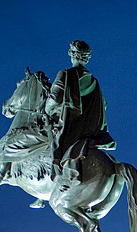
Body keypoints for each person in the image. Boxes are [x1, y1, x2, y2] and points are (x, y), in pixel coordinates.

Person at [45, 40, 116, 185]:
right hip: (91, 130)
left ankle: (59, 171)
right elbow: (104, 105)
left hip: (72, 128)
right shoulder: (94, 81)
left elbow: (55, 98)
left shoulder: (66, 74)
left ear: (72, 54)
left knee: (52, 138)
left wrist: (47, 109)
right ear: (86, 58)